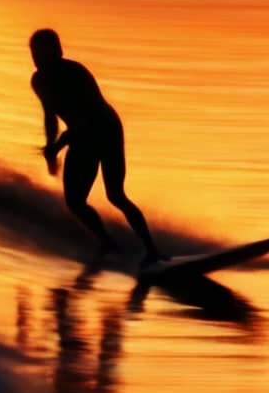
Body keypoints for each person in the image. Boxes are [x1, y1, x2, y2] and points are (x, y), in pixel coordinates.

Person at [29, 28, 167, 267]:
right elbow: (50, 116)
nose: (37, 59)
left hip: (106, 130)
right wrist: (50, 149)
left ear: (58, 51)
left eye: (42, 53)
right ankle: (108, 243)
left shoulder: (76, 73)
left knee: (115, 194)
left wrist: (60, 144)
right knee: (74, 202)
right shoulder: (38, 80)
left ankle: (153, 252)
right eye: (34, 54)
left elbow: (89, 117)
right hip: (79, 138)